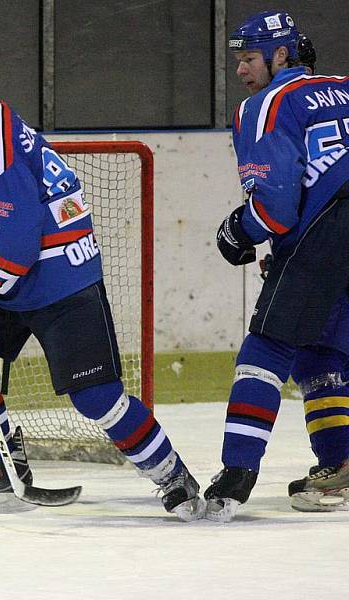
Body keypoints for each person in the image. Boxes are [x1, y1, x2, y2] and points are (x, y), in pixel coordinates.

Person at [0, 37, 204, 520]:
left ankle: (172, 476)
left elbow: (18, 238)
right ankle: (2, 465)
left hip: (60, 279)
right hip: (17, 278)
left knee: (95, 397)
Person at [205, 11, 349, 521]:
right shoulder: (344, 87)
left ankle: (237, 473)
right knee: (322, 349)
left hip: (327, 229)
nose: (241, 71)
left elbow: (276, 205)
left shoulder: (266, 104)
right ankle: (341, 462)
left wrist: (239, 233)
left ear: (280, 56)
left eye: (248, 59)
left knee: (267, 345)